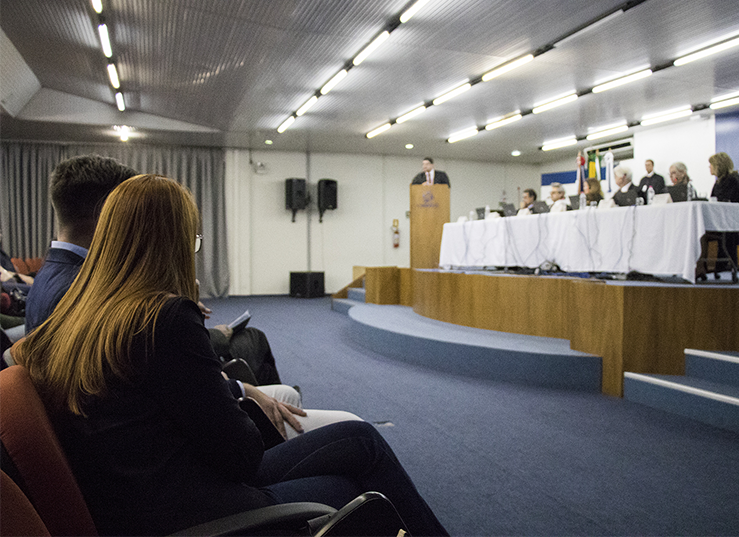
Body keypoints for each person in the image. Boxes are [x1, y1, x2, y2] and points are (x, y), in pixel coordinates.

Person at [13, 174, 448, 536]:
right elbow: (239, 455)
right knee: (351, 468)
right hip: (187, 508)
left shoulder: (77, 314)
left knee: (358, 437)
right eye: (193, 240)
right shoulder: (163, 318)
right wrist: (239, 402)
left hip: (132, 496)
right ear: (174, 242)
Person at [24, 155, 358, 438]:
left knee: (285, 396)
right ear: (111, 215)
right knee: (354, 431)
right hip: (172, 470)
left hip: (146, 447)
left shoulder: (65, 280)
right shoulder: (76, 289)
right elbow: (230, 445)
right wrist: (179, 312)